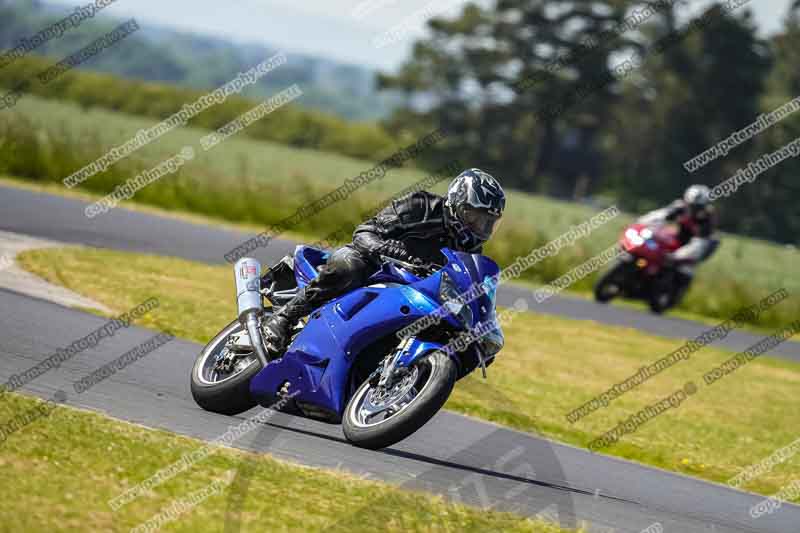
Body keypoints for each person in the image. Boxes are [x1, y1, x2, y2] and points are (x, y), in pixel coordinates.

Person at [262, 168, 506, 356]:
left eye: (487, 223)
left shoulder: (471, 247)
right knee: (350, 265)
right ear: (457, 203)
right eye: (473, 217)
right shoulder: (421, 206)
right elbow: (364, 232)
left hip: (414, 291)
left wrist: (482, 328)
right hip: (377, 266)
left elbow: (466, 285)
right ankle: (284, 317)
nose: (478, 227)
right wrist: (390, 251)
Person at [637, 184, 720, 298]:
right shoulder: (680, 206)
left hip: (693, 246)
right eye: (690, 205)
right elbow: (661, 215)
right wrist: (642, 223)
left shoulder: (707, 217)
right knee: (653, 248)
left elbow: (702, 241)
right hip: (675, 239)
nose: (692, 208)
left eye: (696, 206)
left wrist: (680, 255)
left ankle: (670, 290)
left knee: (683, 269)